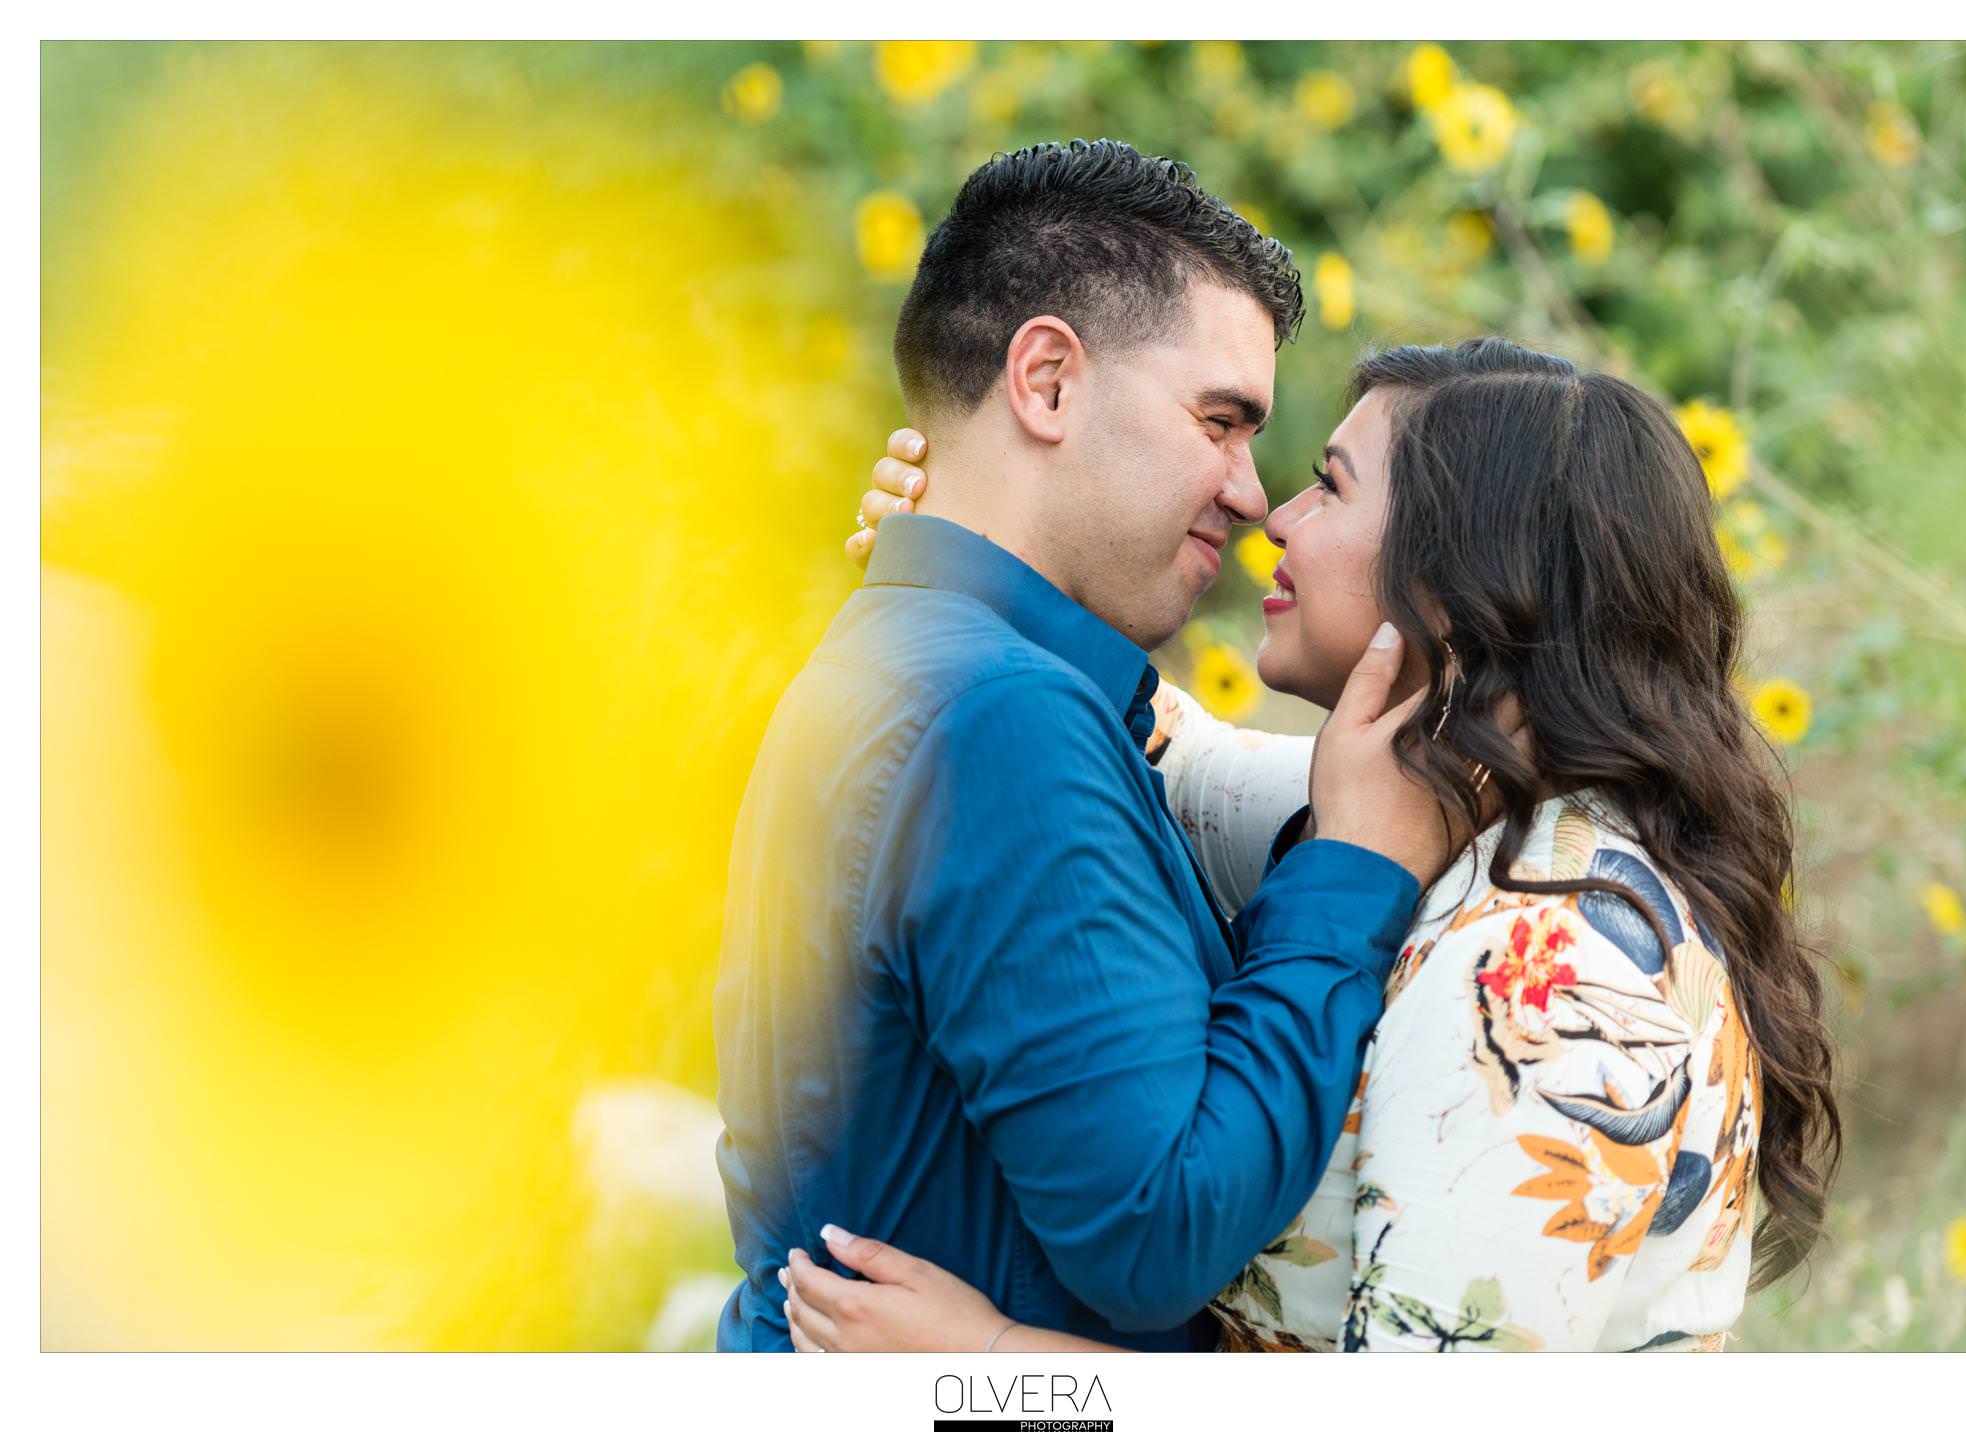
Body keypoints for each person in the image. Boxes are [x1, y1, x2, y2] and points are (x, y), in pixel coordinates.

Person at [784, 338, 1840, 1352]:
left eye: (1329, 487)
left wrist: (997, 1362)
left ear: (1457, 579)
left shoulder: (1548, 973)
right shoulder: (1448, 820)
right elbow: (1169, 763)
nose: (1272, 516)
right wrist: (975, 549)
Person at [712, 140, 1473, 1353]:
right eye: (1219, 423)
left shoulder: (913, 656)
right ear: (1048, 382)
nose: (1249, 492)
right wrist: (1353, 876)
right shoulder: (995, 716)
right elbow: (1153, 1231)